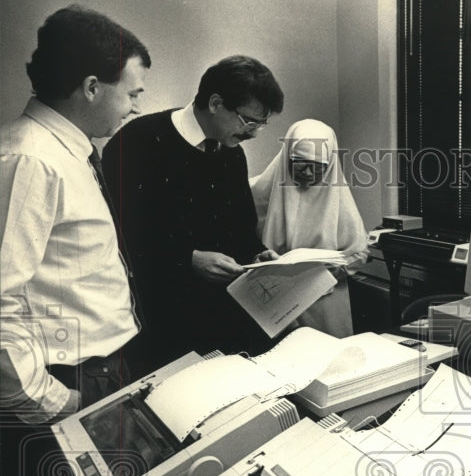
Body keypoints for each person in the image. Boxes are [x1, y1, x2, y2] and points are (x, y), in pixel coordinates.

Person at [0, 5, 150, 476]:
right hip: (64, 380)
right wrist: (46, 401)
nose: (136, 105)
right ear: (92, 87)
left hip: (97, 371)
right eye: (131, 93)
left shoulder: (66, 149)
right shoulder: (30, 157)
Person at [104, 55, 284, 373]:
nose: (254, 134)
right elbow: (119, 239)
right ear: (216, 103)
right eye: (249, 122)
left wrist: (257, 255)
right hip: (164, 326)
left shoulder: (232, 154)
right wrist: (188, 258)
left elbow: (241, 228)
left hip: (227, 323)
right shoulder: (136, 143)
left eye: (260, 124)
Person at [249, 119, 368, 338]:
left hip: (324, 302)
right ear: (287, 159)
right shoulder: (255, 194)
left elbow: (359, 253)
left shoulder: (338, 196)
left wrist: (337, 270)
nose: (308, 174)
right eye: (300, 164)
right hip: (275, 300)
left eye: (319, 167)